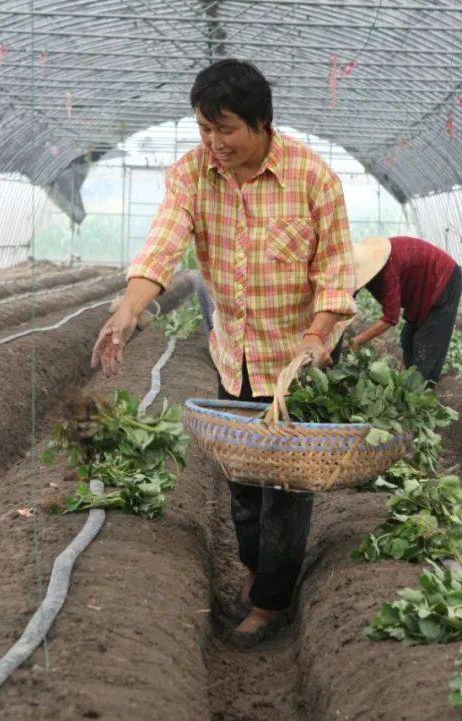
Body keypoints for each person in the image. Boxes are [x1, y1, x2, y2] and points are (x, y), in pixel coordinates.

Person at [90, 59, 356, 644]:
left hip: (293, 364)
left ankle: (270, 603)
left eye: (226, 129)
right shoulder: (192, 174)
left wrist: (315, 339)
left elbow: (336, 277)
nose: (214, 143)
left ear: (262, 124)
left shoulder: (315, 181)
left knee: (284, 492)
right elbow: (165, 240)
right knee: (240, 484)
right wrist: (131, 306)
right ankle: (259, 573)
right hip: (232, 353)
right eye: (205, 130)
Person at [349, 235, 462, 384]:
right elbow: (348, 300)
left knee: (427, 343)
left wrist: (358, 340)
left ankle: (421, 391)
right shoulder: (371, 266)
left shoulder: (387, 269)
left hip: (443, 279)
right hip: (421, 290)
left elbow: (390, 318)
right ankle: (407, 380)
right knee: (407, 338)